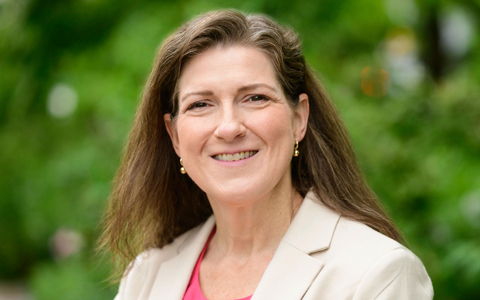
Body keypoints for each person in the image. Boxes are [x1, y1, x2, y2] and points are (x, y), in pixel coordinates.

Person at [100, 9, 434, 300]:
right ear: (174, 136)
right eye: (201, 104)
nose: (229, 127)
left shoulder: (376, 274)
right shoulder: (146, 277)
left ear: (299, 118)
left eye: (255, 98)